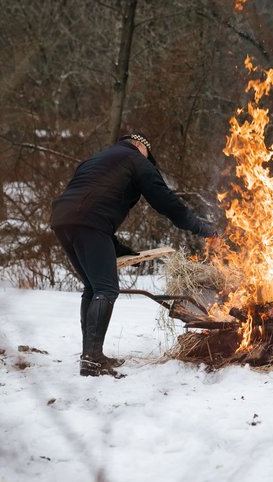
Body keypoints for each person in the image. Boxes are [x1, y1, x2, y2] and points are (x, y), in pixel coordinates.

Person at [50, 133, 217, 377]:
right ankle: (92, 360)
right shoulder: (136, 159)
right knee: (106, 289)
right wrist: (202, 228)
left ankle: (92, 356)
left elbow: (88, 201)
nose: (150, 161)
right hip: (90, 222)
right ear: (139, 145)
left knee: (93, 287)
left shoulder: (95, 161)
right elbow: (167, 203)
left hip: (62, 220)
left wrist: (116, 247)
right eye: (149, 155)